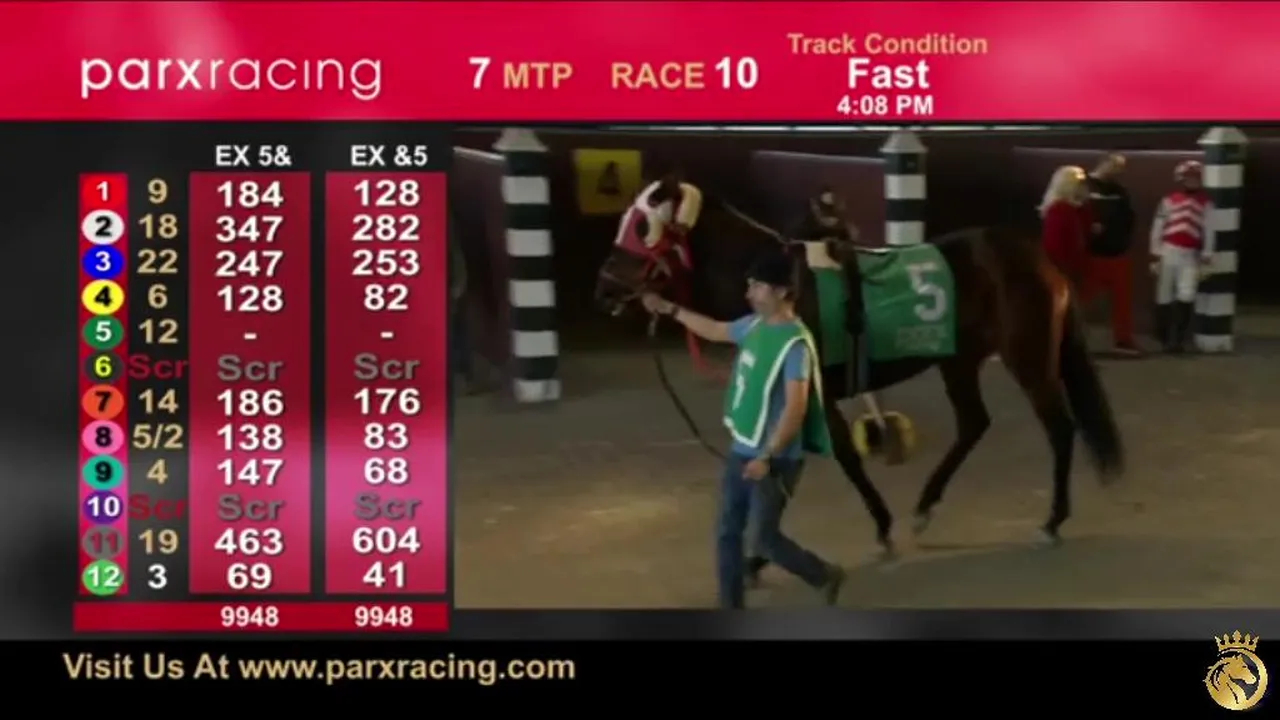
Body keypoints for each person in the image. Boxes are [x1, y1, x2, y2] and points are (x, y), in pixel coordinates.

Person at [639, 249, 845, 609]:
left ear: (782, 291)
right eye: (750, 285)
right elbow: (716, 330)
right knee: (727, 531)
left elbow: (795, 408)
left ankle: (823, 574)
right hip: (743, 449)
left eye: (758, 286)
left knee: (764, 540)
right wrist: (670, 309)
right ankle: (730, 605)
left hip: (775, 459)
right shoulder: (754, 325)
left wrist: (767, 456)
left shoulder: (795, 345)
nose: (749, 293)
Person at [1149, 160, 1214, 353]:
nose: (1192, 181)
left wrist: (1207, 254)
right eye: (1189, 177)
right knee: (1164, 295)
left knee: (1186, 295)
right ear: (1181, 179)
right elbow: (1158, 227)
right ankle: (1163, 337)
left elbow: (1209, 230)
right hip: (1168, 251)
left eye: (1196, 178)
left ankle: (1177, 340)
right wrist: (1155, 253)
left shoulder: (1206, 203)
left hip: (1190, 255)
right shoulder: (1169, 200)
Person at [1083, 154, 1141, 356]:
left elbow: (1128, 217)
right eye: (1116, 166)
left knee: (1122, 302)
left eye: (1121, 168)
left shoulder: (1119, 191)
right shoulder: (1085, 186)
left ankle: (1123, 341)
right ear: (1104, 163)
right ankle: (1068, 338)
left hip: (1118, 253)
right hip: (1093, 254)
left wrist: (1125, 238)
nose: (1118, 171)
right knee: (1082, 299)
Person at [1039, 165, 1095, 284]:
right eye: (1081, 184)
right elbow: (1054, 248)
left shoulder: (1077, 210)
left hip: (1075, 273)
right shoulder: (1059, 211)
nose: (1085, 187)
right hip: (1065, 275)